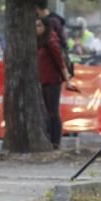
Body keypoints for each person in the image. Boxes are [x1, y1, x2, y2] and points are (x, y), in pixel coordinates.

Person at [36, 15, 72, 150]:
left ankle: (55, 141)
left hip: (53, 81)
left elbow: (60, 61)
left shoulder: (51, 41)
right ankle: (49, 138)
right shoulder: (39, 41)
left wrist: (67, 80)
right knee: (46, 111)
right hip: (43, 80)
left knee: (53, 112)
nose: (37, 28)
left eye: (39, 25)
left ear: (46, 27)